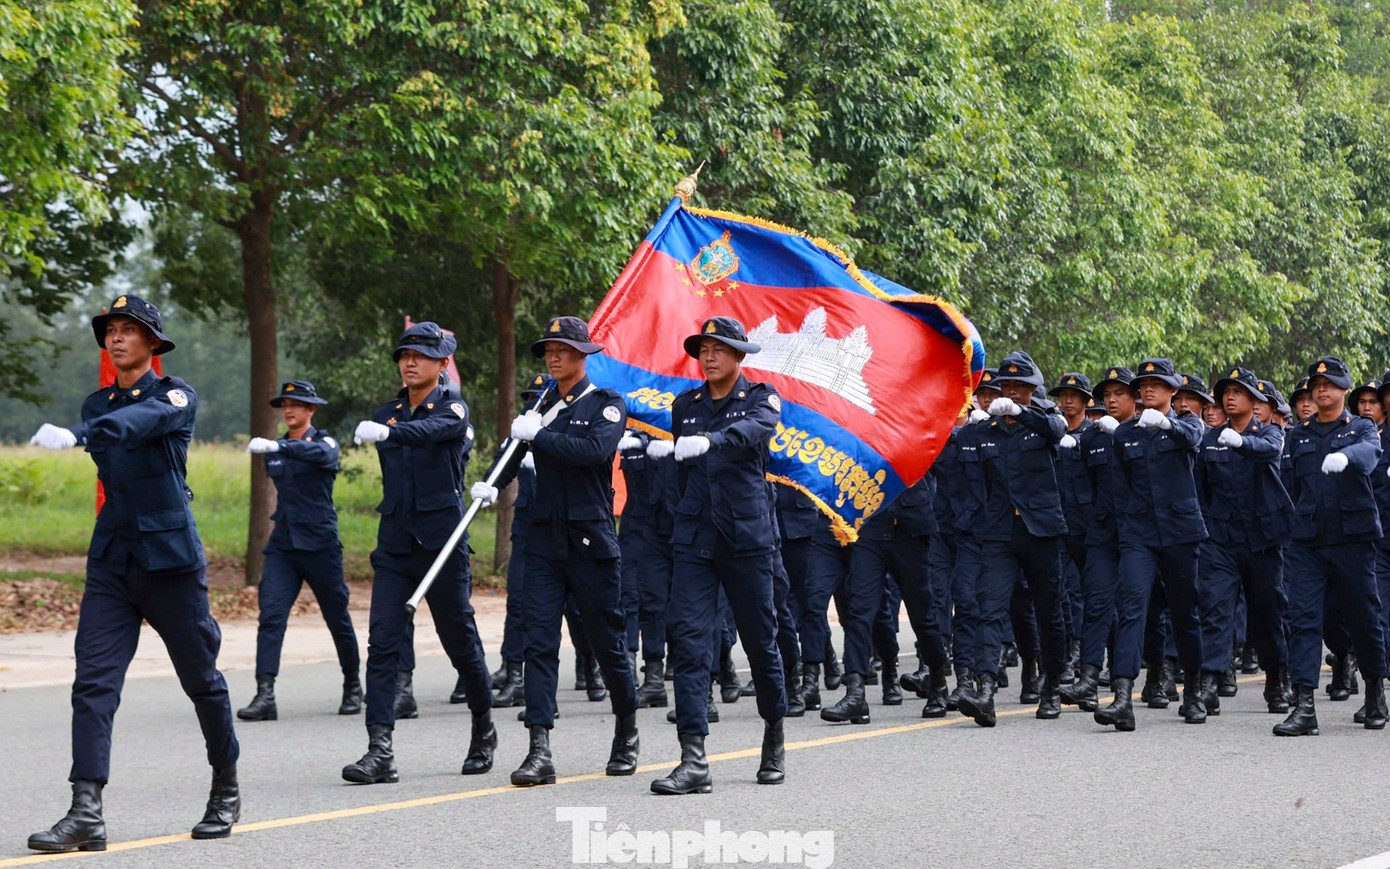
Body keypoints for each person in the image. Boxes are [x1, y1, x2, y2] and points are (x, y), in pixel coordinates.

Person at [27, 294, 240, 851]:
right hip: (113, 559)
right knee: (93, 684)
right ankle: (86, 811)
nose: (117, 338)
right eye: (111, 330)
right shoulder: (98, 402)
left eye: (129, 330)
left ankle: (225, 786)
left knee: (203, 682)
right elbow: (112, 420)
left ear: (152, 342)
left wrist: (77, 435)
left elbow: (136, 423)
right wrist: (86, 425)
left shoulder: (175, 396)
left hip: (169, 561)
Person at [479, 316, 638, 786]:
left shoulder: (606, 404)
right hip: (545, 539)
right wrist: (490, 483)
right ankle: (539, 748)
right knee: (539, 642)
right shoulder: (541, 404)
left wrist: (538, 437)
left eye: (564, 349)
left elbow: (591, 451)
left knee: (607, 642)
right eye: (549, 349)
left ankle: (626, 731)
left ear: (584, 355)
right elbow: (514, 452)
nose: (553, 356)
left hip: (589, 539)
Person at [341, 321, 495, 783]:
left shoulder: (453, 409)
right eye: (405, 355)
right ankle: (379, 750)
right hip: (395, 544)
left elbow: (428, 432)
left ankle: (483, 728)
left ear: (442, 363)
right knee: (382, 643)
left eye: (422, 356)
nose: (410, 362)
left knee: (459, 642)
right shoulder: (387, 410)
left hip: (443, 543)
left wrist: (387, 434)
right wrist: (383, 428)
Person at [651, 317, 787, 794]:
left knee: (760, 641)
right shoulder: (684, 405)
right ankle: (693, 760)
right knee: (687, 641)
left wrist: (713, 440)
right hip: (695, 538)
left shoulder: (760, 398)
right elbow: (681, 475)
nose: (709, 357)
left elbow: (757, 430)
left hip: (746, 539)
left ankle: (773, 736)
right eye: (703, 349)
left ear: (739, 355)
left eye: (719, 349)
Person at [1095, 358, 1210, 731]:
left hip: (1180, 531)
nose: (1148, 389)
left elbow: (1193, 439)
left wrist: (1168, 422)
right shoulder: (1126, 433)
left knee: (1184, 612)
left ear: (1173, 391)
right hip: (1139, 533)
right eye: (1144, 384)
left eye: (1157, 385)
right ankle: (1123, 697)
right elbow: (1118, 486)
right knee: (1131, 608)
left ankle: (1192, 690)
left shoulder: (1188, 423)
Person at [1275, 357, 1387, 735]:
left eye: (1329, 383)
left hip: (1352, 540)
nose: (1321, 389)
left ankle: (1374, 689)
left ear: (1343, 391)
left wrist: (1347, 456)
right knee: (1303, 620)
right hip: (1308, 541)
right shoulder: (1299, 434)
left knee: (1364, 618)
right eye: (1316, 384)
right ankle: (1304, 707)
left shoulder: (1362, 427)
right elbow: (1289, 484)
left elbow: (1370, 454)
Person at [240, 380, 361, 721]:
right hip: (284, 546)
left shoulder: (323, 443)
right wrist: (276, 448)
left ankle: (353, 685)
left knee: (337, 619)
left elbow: (322, 455)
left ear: (311, 410)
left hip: (321, 545)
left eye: (296, 404)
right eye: (284, 405)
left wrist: (279, 448)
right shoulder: (274, 448)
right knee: (270, 617)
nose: (289, 410)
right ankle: (265, 695)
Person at [1196, 368, 1294, 715]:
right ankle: (1210, 681)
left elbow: (1268, 451)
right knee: (1215, 607)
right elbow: (1201, 487)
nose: (1230, 397)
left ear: (1255, 402)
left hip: (1263, 540)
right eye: (1227, 392)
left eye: (1239, 392)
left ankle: (1276, 677)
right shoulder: (1210, 438)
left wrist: (1242, 443)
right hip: (1221, 539)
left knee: (1267, 612)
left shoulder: (1270, 433)